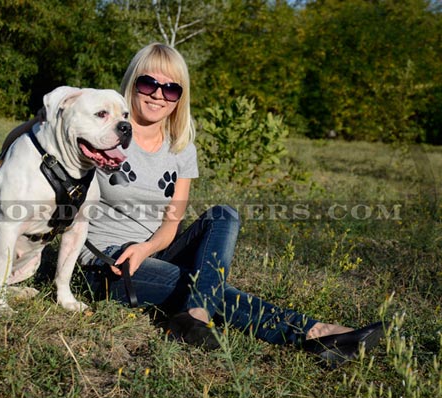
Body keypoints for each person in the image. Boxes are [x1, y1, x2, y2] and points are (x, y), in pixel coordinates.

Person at [79, 42, 383, 369]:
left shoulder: (181, 148)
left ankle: (195, 313)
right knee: (202, 286)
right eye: (148, 84)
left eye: (170, 89)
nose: (157, 95)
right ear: (132, 83)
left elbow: (170, 225)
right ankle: (314, 332)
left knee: (224, 214)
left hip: (152, 252)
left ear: (180, 97)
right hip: (109, 261)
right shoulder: (102, 132)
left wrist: (147, 247)